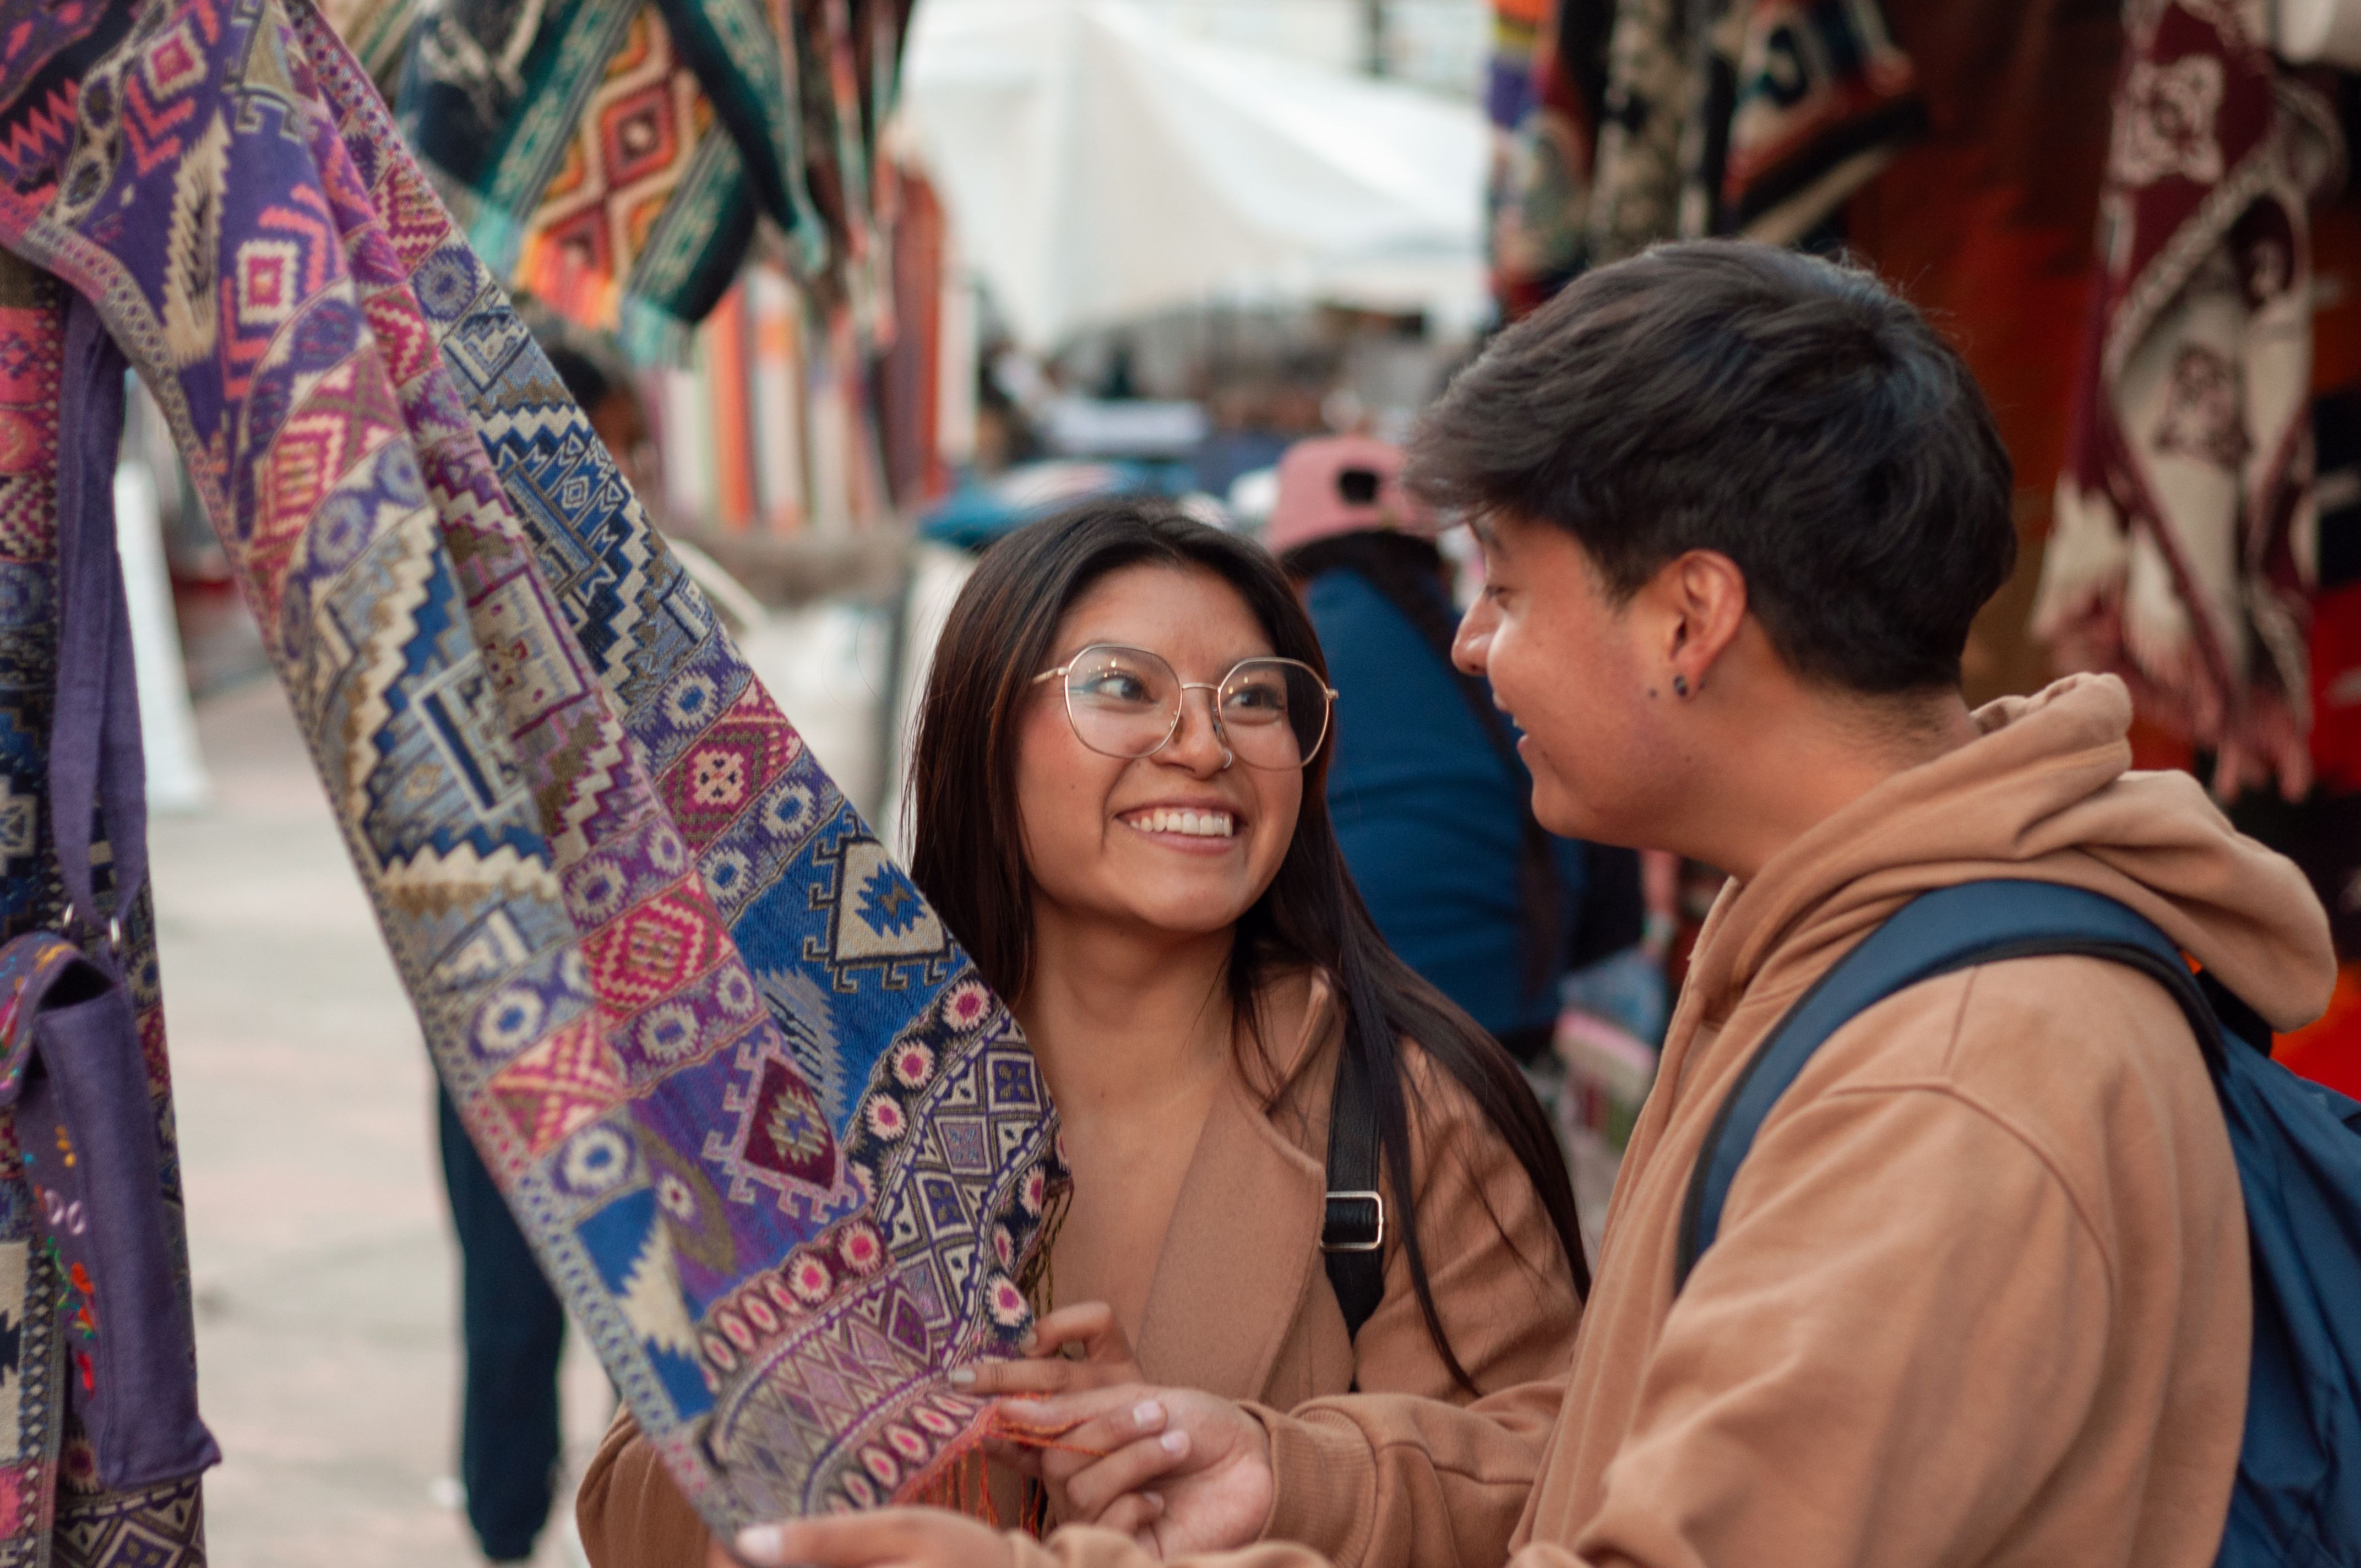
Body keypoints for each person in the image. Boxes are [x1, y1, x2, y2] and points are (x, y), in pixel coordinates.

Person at [716, 241, 2336, 1568]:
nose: (1471, 642)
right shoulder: (1847, 969)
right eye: (1120, 689)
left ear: (1687, 616)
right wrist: (1295, 1478)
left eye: (1502, 578)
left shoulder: (1951, 1076)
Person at [577, 499, 1588, 1565]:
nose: (1202, 744)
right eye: (1121, 687)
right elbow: (622, 1518)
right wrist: (824, 1408)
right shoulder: (819, 1082)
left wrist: (1263, 1467)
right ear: (983, 728)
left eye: (1254, 697)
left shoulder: (1407, 1109)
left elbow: (1553, 1476)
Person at [1270, 435, 1643, 1063]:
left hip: (1363, 1034)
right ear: (1436, 561)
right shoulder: (1499, 650)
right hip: (1521, 1027)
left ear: (1289, 570)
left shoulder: (1293, 658)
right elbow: (1611, 911)